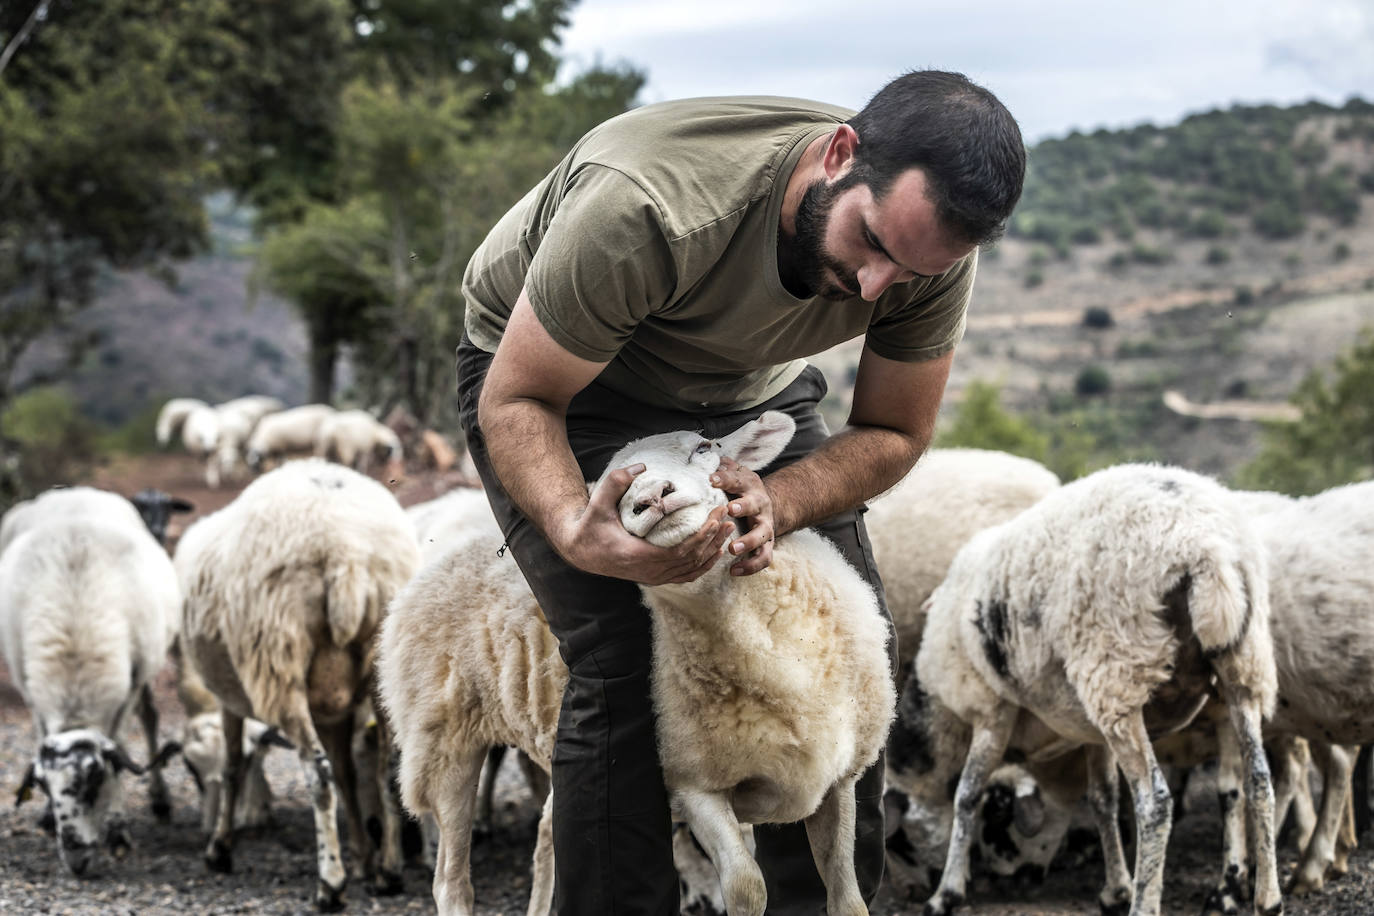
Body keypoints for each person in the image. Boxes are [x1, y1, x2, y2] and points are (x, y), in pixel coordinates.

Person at [455, 69, 1025, 915]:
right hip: (563, 380)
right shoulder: (646, 206)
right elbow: (521, 398)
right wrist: (578, 532)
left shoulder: (923, 251)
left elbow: (897, 431)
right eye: (870, 243)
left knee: (841, 639)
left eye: (905, 274)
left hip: (747, 390)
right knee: (622, 659)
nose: (875, 287)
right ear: (839, 156)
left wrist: (781, 500)